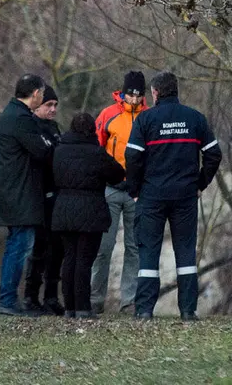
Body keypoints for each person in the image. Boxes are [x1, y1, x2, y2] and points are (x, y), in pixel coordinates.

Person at [125, 71, 222, 321]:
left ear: (155, 93)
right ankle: (188, 310)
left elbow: (133, 157)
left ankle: (145, 310)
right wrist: (200, 184)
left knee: (148, 251)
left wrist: (134, 190)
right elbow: (214, 155)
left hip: (152, 195)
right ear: (176, 91)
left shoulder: (146, 120)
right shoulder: (195, 118)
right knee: (186, 252)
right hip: (185, 196)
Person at [0, 74, 54, 316]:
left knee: (17, 245)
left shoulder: (13, 114)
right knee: (19, 247)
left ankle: (8, 299)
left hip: (14, 191)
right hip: (20, 193)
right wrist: (48, 144)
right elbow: (41, 150)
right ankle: (7, 300)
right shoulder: (21, 119)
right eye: (42, 94)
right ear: (35, 93)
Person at [51, 113, 125, 319]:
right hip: (90, 210)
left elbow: (51, 174)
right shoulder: (97, 153)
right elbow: (117, 173)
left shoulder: (59, 151)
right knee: (84, 259)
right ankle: (83, 307)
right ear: (93, 130)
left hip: (63, 209)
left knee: (69, 258)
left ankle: (69, 308)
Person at [90, 71, 148, 314]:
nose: (134, 100)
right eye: (130, 95)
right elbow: (96, 147)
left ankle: (129, 301)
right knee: (103, 246)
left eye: (138, 96)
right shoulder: (108, 114)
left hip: (138, 191)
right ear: (123, 93)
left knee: (134, 248)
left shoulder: (149, 116)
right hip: (111, 189)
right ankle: (94, 300)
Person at [23, 86, 64, 316]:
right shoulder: (31, 127)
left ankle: (50, 296)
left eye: (55, 105)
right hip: (38, 195)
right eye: (49, 105)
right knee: (37, 248)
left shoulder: (55, 129)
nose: (53, 109)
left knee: (56, 249)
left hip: (56, 195)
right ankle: (30, 296)